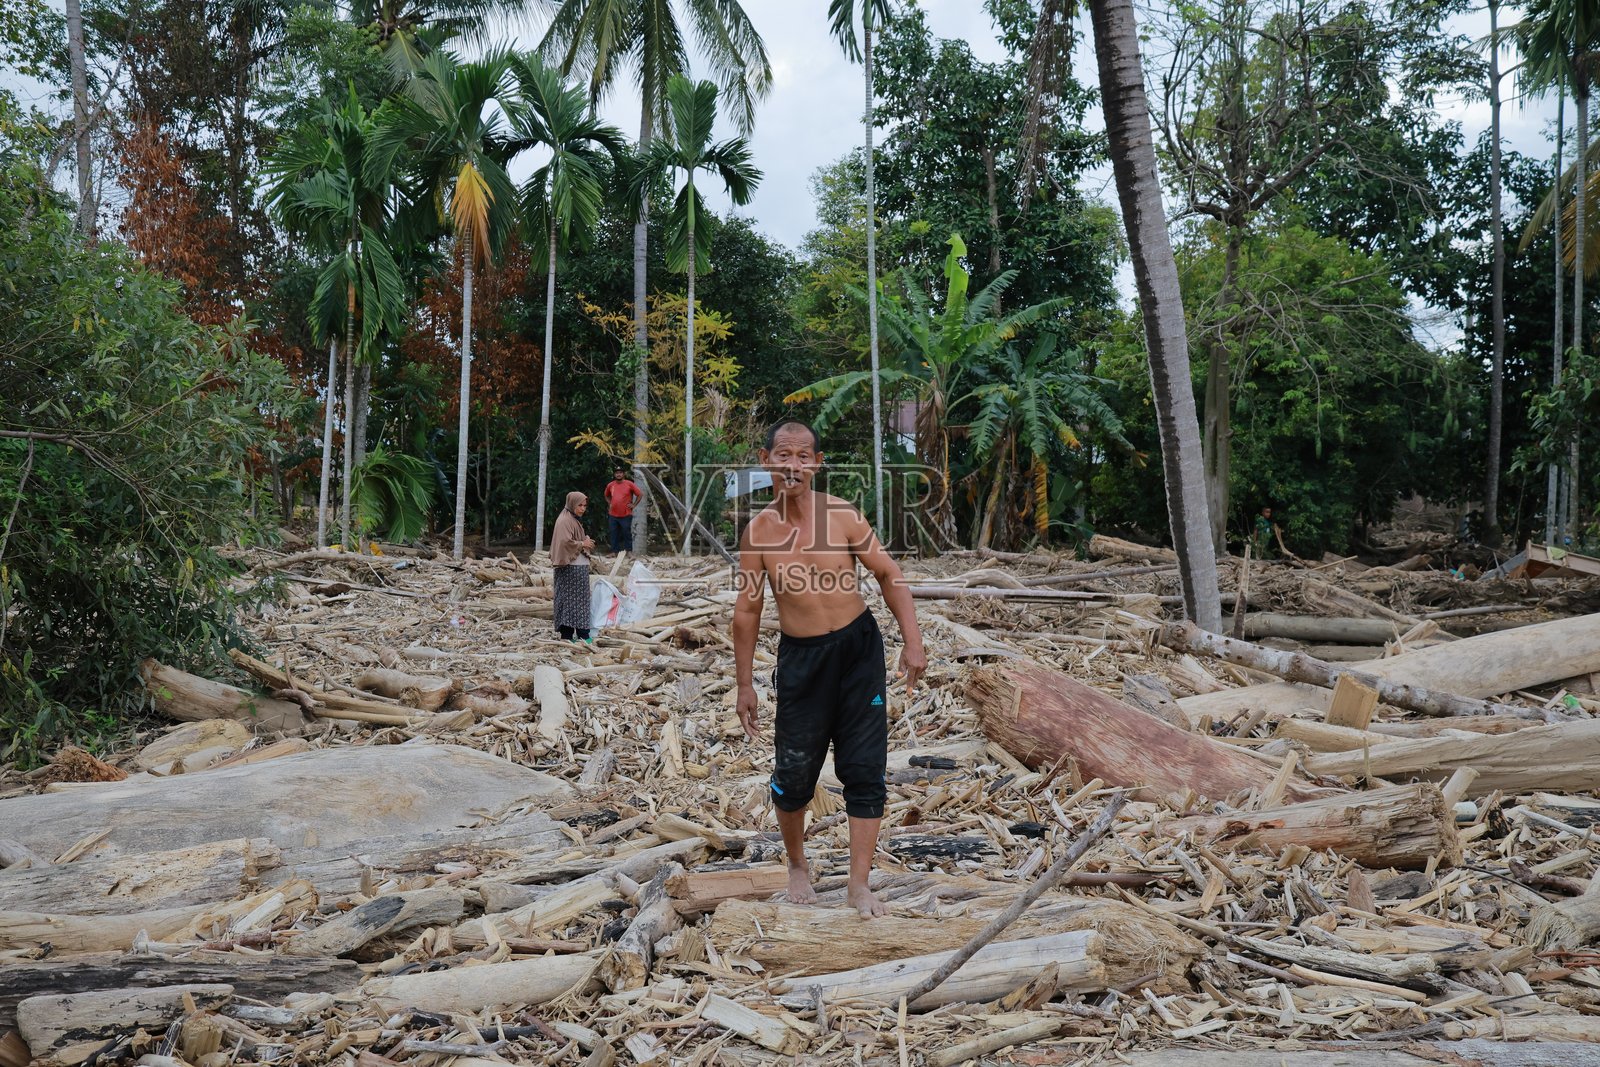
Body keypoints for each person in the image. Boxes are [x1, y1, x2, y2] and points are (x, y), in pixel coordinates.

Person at [731, 418, 927, 918]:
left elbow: (888, 574)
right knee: (794, 774)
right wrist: (744, 684)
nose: (792, 465)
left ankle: (858, 884)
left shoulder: (841, 515)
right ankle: (797, 863)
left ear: (817, 464)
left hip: (857, 652)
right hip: (802, 662)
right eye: (783, 455)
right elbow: (748, 610)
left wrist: (913, 642)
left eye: (803, 456)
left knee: (864, 770)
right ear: (766, 460)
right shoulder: (758, 533)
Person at [550, 491, 596, 643]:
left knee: (573, 602)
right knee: (574, 603)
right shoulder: (565, 520)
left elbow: (572, 540)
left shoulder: (571, 519)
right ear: (571, 504)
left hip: (575, 568)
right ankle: (580, 636)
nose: (582, 509)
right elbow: (564, 542)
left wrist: (584, 541)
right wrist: (583, 543)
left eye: (584, 505)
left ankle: (569, 636)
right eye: (579, 505)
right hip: (571, 568)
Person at [603, 467, 643, 554]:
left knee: (627, 533)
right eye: (617, 473)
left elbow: (640, 494)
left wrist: (634, 504)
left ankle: (629, 552)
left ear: (623, 474)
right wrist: (610, 503)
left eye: (620, 472)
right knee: (613, 533)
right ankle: (614, 552)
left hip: (626, 514)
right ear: (614, 474)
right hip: (613, 514)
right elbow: (606, 495)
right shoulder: (610, 485)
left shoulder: (629, 484)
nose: (618, 474)